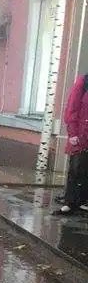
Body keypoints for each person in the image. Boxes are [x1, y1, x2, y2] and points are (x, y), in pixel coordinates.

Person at [54, 73, 88, 215]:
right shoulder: (84, 82)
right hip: (81, 135)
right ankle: (71, 202)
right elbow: (72, 109)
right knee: (77, 168)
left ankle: (82, 201)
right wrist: (73, 133)